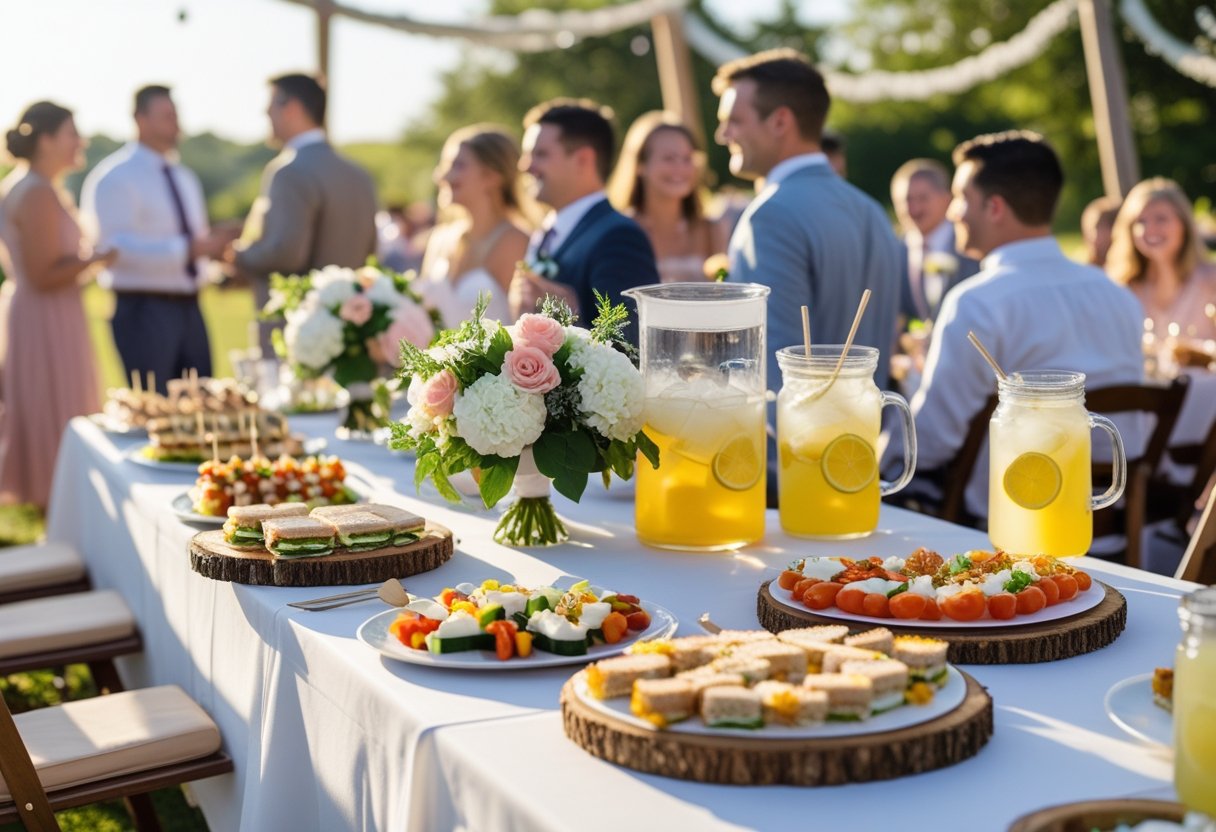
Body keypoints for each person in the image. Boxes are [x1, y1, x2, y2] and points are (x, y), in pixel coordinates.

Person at [897, 131, 1143, 520]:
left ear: (995, 207)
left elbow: (929, 441)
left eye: (962, 197)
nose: (953, 212)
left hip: (1011, 519)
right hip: (1111, 515)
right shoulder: (1120, 298)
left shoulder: (978, 302)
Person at [714, 48, 903, 394]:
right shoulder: (871, 211)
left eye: (735, 120)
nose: (723, 134)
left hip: (793, 444)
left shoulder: (770, 215)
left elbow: (772, 371)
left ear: (780, 121)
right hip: (860, 440)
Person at [0, 102, 116, 509]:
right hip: (45, 316)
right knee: (57, 409)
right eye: (72, 133)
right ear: (47, 140)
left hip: (45, 313)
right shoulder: (34, 192)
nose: (79, 141)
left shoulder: (32, 187)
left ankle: (65, 505)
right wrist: (97, 259)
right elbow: (42, 274)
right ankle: (62, 506)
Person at [81, 85, 230, 393]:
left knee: (201, 408)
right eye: (167, 116)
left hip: (191, 308)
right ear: (140, 119)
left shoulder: (184, 177)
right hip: (143, 310)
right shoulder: (115, 177)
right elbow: (113, 248)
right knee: (154, 411)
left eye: (176, 116)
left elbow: (193, 240)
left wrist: (215, 247)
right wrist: (186, 250)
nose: (177, 125)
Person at [230, 73, 378, 354]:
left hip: (298, 334)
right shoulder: (359, 176)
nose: (266, 115)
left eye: (271, 106)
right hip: (351, 333)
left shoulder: (290, 171)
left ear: (293, 108)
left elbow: (286, 253)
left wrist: (239, 255)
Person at [509, 98, 659, 341]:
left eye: (540, 154)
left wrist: (571, 316)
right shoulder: (547, 231)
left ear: (583, 160)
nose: (525, 166)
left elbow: (633, 344)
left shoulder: (619, 237)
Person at [417, 125, 530, 325]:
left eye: (457, 165)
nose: (442, 176)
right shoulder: (440, 237)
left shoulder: (516, 242)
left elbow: (524, 325)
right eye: (445, 166)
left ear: (492, 176)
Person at [607, 111, 727, 283]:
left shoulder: (711, 230)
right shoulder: (621, 231)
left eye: (687, 158)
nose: (680, 168)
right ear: (640, 165)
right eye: (669, 158)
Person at [1106, 178, 1216, 342]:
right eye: (1140, 221)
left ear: (1184, 225)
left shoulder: (1210, 280)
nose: (1149, 229)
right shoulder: (1124, 288)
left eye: (1161, 219)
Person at [890, 158, 980, 325]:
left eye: (923, 198)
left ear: (946, 198)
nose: (914, 208)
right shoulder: (895, 249)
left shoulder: (974, 245)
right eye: (906, 200)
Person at [1081, 195, 1121, 268]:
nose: (1094, 236)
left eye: (1098, 228)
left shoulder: (1126, 272)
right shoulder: (1083, 269)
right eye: (1090, 229)